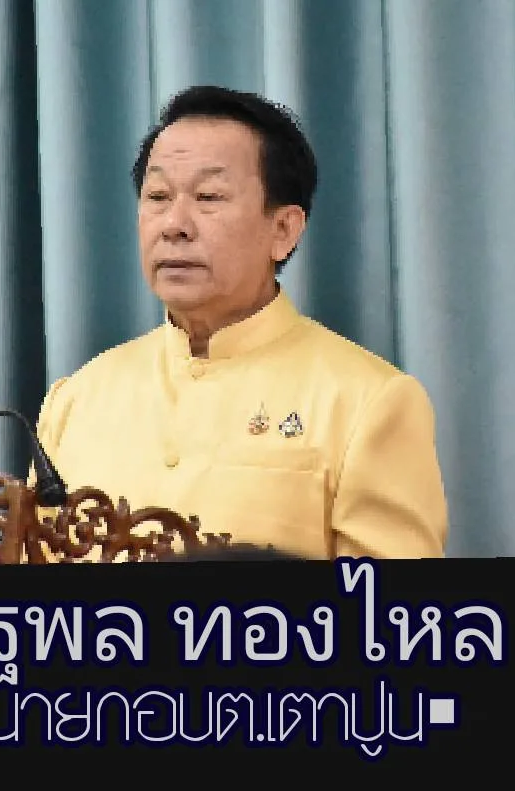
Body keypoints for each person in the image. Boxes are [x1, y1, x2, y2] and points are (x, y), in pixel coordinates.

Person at [29, 85, 448, 561]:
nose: (174, 224)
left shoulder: (368, 402)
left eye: (208, 196)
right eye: (158, 196)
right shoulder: (77, 399)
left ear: (283, 230)